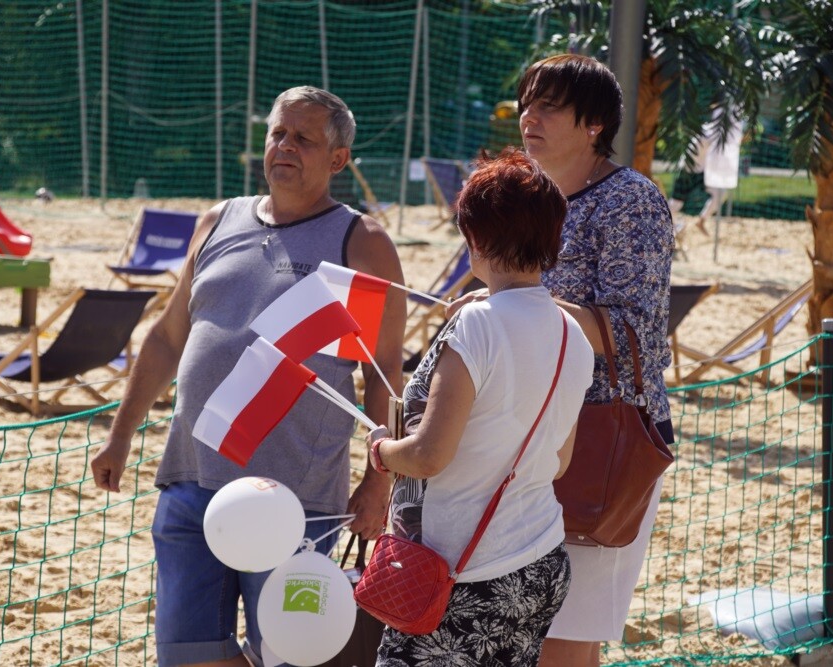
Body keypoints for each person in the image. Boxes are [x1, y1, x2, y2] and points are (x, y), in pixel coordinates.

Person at [90, 86, 406, 667]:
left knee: (288, 656)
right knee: (188, 657)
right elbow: (165, 338)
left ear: (337, 159)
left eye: (304, 138)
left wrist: (377, 481)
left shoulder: (360, 242)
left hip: (297, 502)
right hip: (190, 480)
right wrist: (120, 433)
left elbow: (383, 374)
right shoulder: (218, 220)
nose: (284, 146)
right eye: (277, 133)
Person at [366, 149, 595, 665]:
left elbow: (427, 457)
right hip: (540, 559)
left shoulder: (477, 324)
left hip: (464, 569)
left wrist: (381, 450)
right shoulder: (572, 335)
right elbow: (558, 462)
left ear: (478, 237)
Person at [517, 54, 675, 667]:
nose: (530, 115)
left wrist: (522, 304)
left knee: (566, 634)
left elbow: (637, 334)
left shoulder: (628, 201)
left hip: (600, 442)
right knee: (541, 636)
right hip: (524, 435)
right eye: (528, 102)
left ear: (594, 124)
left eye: (549, 105)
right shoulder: (524, 195)